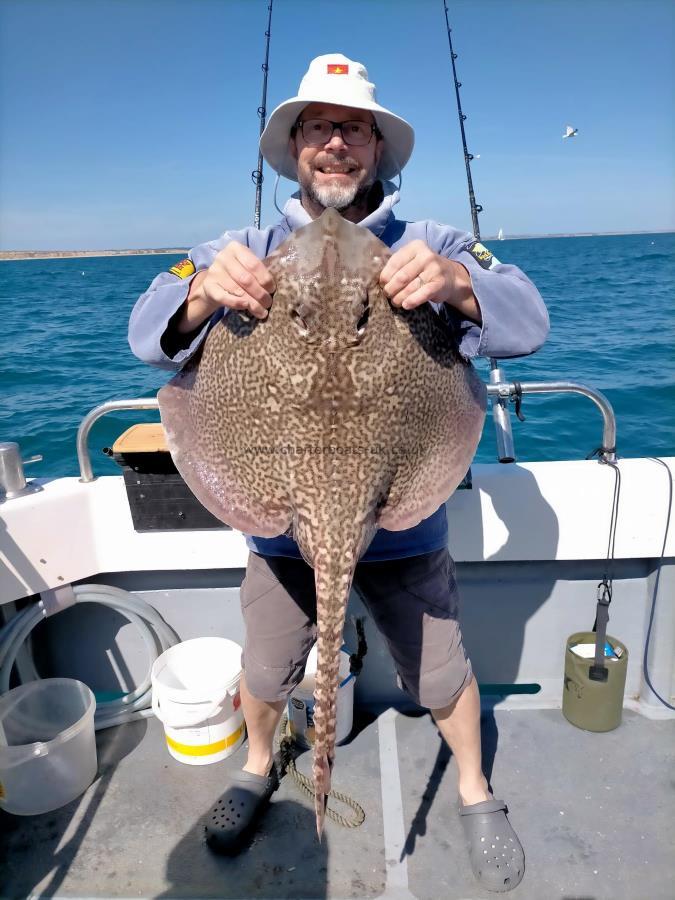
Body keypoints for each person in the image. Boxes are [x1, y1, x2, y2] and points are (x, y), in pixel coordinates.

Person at [129, 53, 549, 892]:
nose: (334, 142)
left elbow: (529, 319)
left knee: (438, 672)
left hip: (402, 513)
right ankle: (256, 769)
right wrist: (204, 293)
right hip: (278, 524)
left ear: (377, 149)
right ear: (291, 148)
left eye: (352, 127)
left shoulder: (432, 241)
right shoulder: (233, 249)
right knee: (264, 667)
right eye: (316, 126)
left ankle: (472, 790)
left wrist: (458, 284)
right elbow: (147, 336)